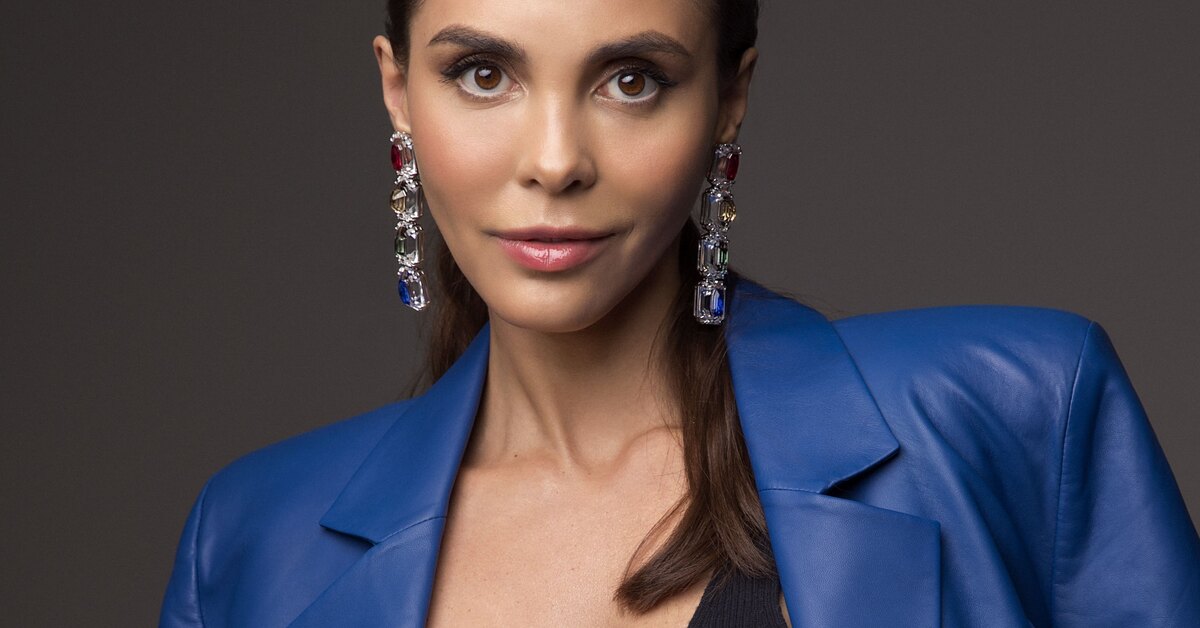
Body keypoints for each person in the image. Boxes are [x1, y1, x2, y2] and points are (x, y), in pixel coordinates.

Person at [159, 0, 1200, 626]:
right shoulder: (251, 546)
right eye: (482, 74)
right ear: (397, 91)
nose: (555, 160)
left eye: (631, 79)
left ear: (728, 98)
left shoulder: (1018, 412)